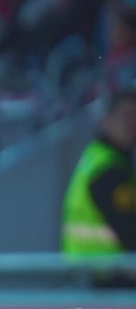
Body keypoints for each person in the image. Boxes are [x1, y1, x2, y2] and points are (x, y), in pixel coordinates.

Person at [62, 90, 136, 258]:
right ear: (107, 120)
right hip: (105, 276)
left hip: (92, 274)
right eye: (127, 116)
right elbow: (130, 231)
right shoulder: (107, 169)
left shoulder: (101, 157)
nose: (132, 124)